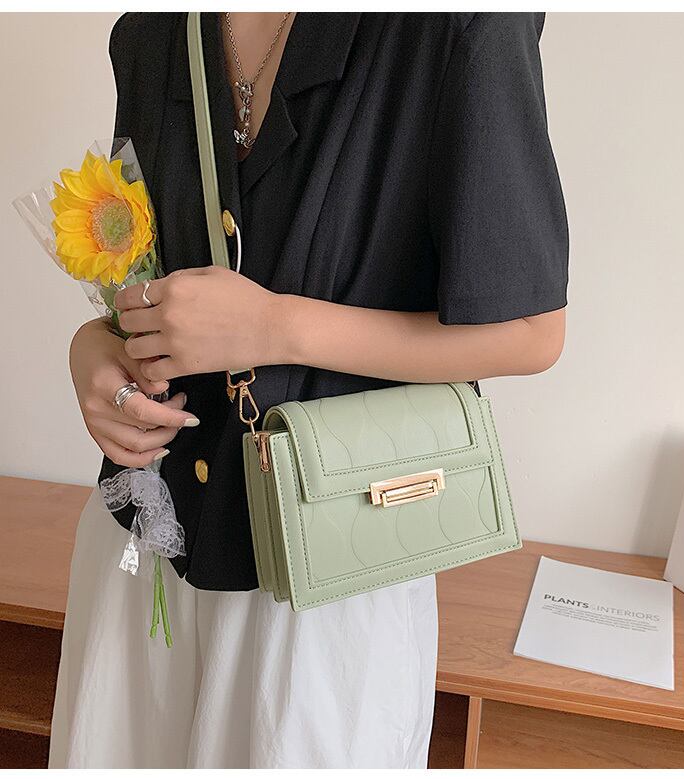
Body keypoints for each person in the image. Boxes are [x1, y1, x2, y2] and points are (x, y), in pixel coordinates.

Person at [49, 11, 568, 769]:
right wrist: (94, 349)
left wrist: (276, 328)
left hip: (326, 574)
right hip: (143, 549)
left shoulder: (456, 24)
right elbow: (143, 274)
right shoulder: (153, 31)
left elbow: (530, 330)